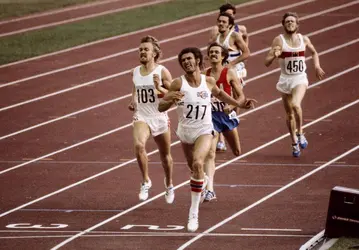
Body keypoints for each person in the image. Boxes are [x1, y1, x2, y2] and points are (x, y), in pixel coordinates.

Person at [158, 47, 253, 232]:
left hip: (204, 129)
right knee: (192, 167)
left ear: (198, 61)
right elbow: (161, 107)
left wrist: (240, 103)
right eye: (183, 60)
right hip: (185, 132)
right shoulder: (178, 83)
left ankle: (193, 211)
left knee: (198, 162)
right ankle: (202, 180)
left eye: (189, 59)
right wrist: (170, 99)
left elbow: (222, 95)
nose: (186, 62)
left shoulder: (208, 81)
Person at [264, 12, 325, 157]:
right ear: (283, 25)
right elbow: (266, 62)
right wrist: (274, 55)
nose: (290, 23)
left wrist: (317, 66)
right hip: (285, 79)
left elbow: (314, 52)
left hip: (299, 78)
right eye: (287, 22)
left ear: (297, 25)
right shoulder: (279, 40)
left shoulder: (303, 39)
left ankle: (300, 133)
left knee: (296, 105)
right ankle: (293, 142)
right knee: (289, 114)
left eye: (292, 21)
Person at [203, 42, 256, 202]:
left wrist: (232, 105)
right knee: (210, 153)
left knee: (237, 152)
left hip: (226, 117)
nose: (213, 55)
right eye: (211, 52)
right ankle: (210, 189)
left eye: (216, 53)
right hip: (210, 117)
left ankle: (209, 188)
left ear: (223, 56)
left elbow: (241, 96)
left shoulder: (230, 73)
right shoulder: (204, 75)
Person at [128, 35, 175, 204]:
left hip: (159, 116)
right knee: (139, 145)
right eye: (140, 49)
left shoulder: (162, 71)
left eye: (146, 49)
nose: (142, 52)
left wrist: (159, 87)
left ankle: (169, 184)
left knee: (165, 156)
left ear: (154, 53)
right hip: (142, 116)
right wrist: (133, 99)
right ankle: (146, 181)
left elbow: (173, 92)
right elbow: (135, 88)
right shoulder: (135, 71)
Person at [210, 11, 250, 152]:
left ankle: (230, 121)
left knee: (233, 101)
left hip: (234, 72)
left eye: (224, 22)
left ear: (230, 25)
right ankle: (220, 136)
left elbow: (246, 52)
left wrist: (232, 64)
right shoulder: (217, 38)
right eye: (219, 21)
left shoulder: (234, 35)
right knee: (217, 99)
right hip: (220, 73)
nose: (220, 24)